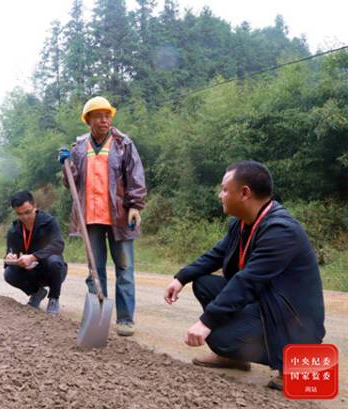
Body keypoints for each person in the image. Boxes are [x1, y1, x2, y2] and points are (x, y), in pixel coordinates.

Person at [163, 161, 325, 390]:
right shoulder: (242, 224)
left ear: (245, 193)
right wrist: (181, 278)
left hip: (293, 320)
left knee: (219, 338)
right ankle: (235, 358)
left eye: (225, 189)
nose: (220, 195)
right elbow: (216, 255)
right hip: (268, 303)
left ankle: (294, 364)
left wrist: (206, 322)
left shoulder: (281, 230)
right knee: (204, 283)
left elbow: (247, 281)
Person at [58, 96, 147, 336]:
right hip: (91, 219)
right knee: (95, 270)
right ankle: (97, 316)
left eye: (107, 115)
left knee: (124, 269)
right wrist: (66, 166)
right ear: (88, 120)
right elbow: (72, 184)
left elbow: (136, 176)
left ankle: (126, 319)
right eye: (98, 116)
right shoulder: (79, 148)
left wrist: (136, 206)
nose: (104, 120)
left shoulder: (123, 144)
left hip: (119, 217)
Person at [4, 191, 67, 315]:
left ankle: (53, 298)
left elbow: (58, 245)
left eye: (28, 212)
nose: (25, 217)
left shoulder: (49, 222)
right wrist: (10, 257)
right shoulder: (14, 231)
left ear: (35, 206)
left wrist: (33, 257)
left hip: (52, 271)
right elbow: (10, 253)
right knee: (8, 273)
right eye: (20, 214)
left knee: (54, 261)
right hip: (31, 272)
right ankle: (36, 292)